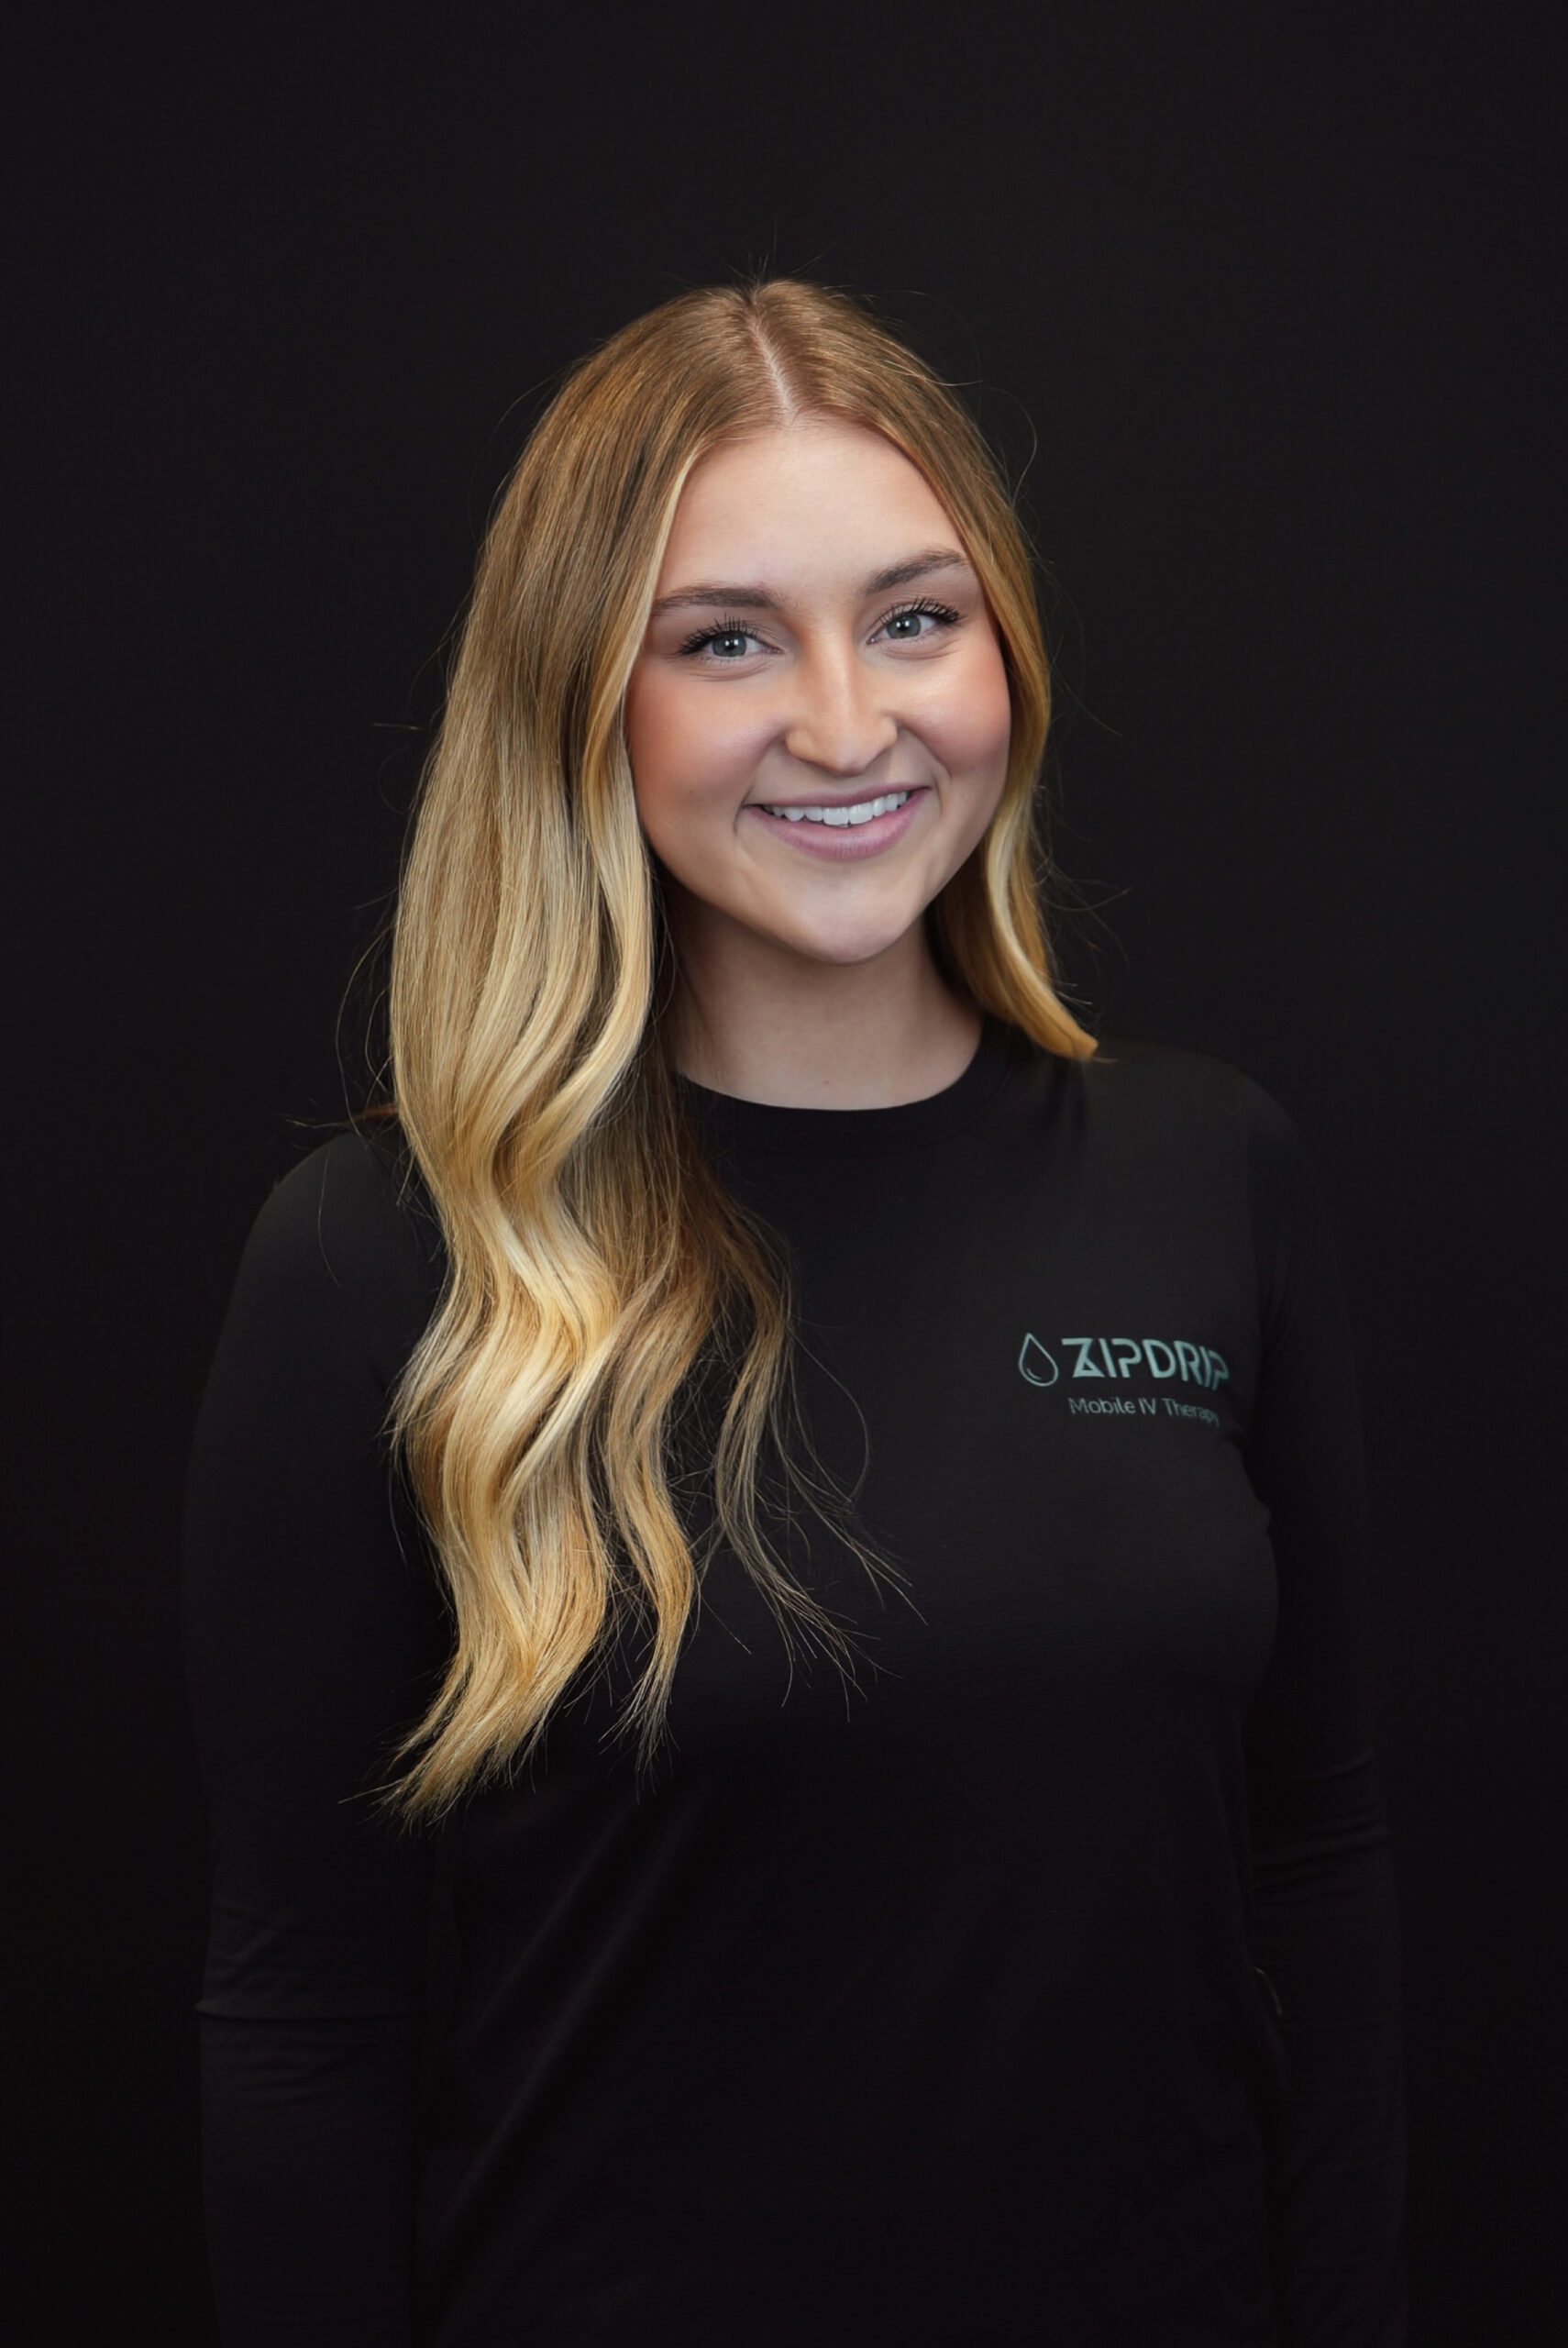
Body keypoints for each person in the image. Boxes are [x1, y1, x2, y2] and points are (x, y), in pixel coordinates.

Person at [182, 279, 1406, 2345]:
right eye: (728, 638)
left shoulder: (1211, 1176)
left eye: (915, 616)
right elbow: (308, 2014)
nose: (848, 720)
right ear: (587, 698)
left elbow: (1320, 1860)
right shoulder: (387, 1260)